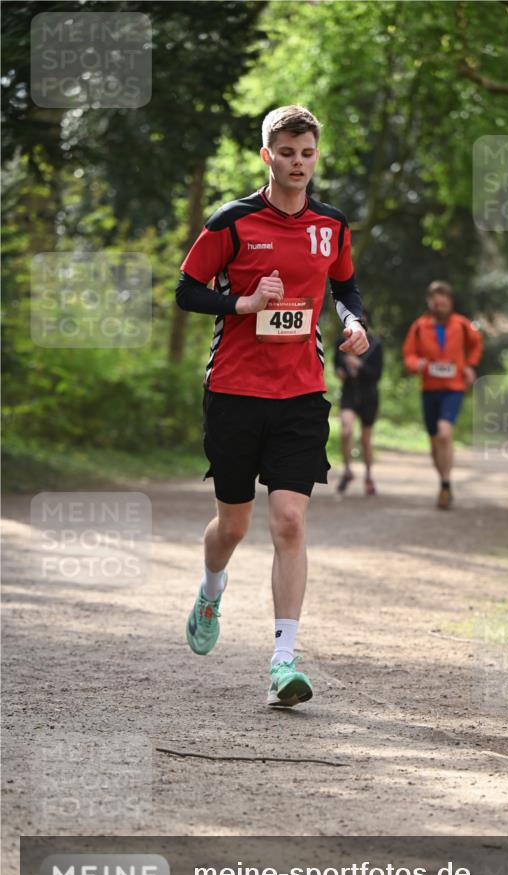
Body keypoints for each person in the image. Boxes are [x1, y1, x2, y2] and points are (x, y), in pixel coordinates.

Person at [175, 105, 368, 708]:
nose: (298, 163)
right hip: (234, 391)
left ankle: (284, 662)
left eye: (307, 153)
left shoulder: (331, 225)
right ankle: (211, 591)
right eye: (287, 153)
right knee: (232, 525)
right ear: (268, 155)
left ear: (316, 155)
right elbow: (185, 291)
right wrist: (244, 303)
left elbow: (344, 284)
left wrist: (354, 321)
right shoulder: (232, 221)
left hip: (301, 393)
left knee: (288, 519)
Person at [402, 281, 483, 509]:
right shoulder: (419, 326)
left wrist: (470, 365)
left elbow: (477, 345)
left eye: (443, 303)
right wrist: (415, 363)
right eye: (436, 303)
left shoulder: (463, 325)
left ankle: (446, 485)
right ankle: (443, 481)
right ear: (429, 302)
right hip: (429, 388)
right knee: (434, 443)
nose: (440, 307)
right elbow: (408, 354)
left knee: (445, 433)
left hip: (453, 387)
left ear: (450, 303)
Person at [334, 309, 384, 495]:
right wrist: (341, 371)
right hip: (349, 393)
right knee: (346, 431)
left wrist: (359, 365)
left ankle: (369, 475)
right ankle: (347, 471)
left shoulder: (375, 345)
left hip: (369, 395)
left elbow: (377, 375)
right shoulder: (340, 343)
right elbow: (336, 366)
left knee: (365, 439)